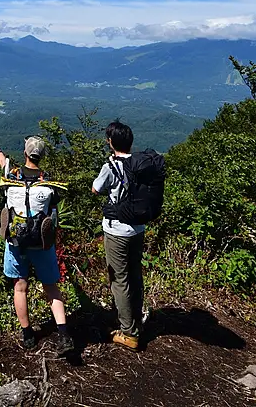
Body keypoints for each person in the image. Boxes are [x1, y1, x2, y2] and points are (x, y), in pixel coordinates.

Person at [0, 136, 74, 353]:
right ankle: (64, 334)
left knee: (20, 286)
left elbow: (4, 164)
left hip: (16, 242)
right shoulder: (48, 184)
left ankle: (27, 334)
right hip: (41, 243)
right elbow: (52, 211)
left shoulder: (11, 178)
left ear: (25, 153)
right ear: (42, 156)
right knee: (51, 288)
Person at [92, 120, 145, 350]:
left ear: (111, 143)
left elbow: (95, 188)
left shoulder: (110, 167)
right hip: (138, 228)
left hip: (116, 230)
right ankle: (137, 321)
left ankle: (129, 332)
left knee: (119, 280)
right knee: (135, 274)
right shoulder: (140, 164)